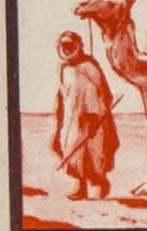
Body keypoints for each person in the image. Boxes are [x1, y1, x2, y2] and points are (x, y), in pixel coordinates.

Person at [50, 22, 119, 201]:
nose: (67, 49)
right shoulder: (63, 68)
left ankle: (101, 185)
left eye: (70, 45)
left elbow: (102, 93)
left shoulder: (89, 66)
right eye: (64, 46)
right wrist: (59, 119)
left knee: (95, 154)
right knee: (74, 153)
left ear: (79, 46)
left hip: (92, 119)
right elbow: (62, 94)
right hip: (71, 119)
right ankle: (80, 188)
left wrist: (94, 116)